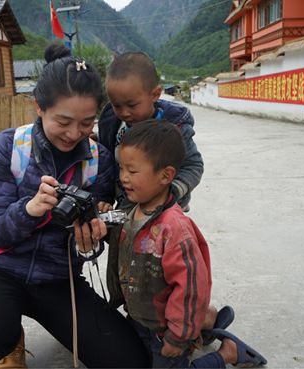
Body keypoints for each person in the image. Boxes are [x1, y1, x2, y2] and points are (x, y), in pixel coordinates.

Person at [0, 44, 149, 369]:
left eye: (86, 123)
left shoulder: (98, 160)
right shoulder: (8, 147)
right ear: (39, 107)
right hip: (0, 267)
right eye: (63, 121)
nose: (75, 133)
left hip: (58, 276)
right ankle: (8, 340)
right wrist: (30, 209)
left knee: (128, 361)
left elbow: (91, 244)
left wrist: (90, 243)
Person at [106, 120, 267, 368]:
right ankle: (205, 324)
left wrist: (178, 337)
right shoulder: (132, 213)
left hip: (166, 329)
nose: (123, 178)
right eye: (121, 169)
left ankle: (227, 353)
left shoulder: (175, 231)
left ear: (166, 175)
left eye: (133, 171)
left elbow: (191, 289)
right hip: (140, 319)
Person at [98, 51, 203, 212]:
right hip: (127, 206)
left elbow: (193, 165)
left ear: (155, 94)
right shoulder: (111, 123)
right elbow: (105, 164)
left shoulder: (175, 127)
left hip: (165, 209)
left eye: (132, 105)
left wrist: (171, 193)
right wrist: (104, 198)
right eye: (117, 105)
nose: (124, 113)